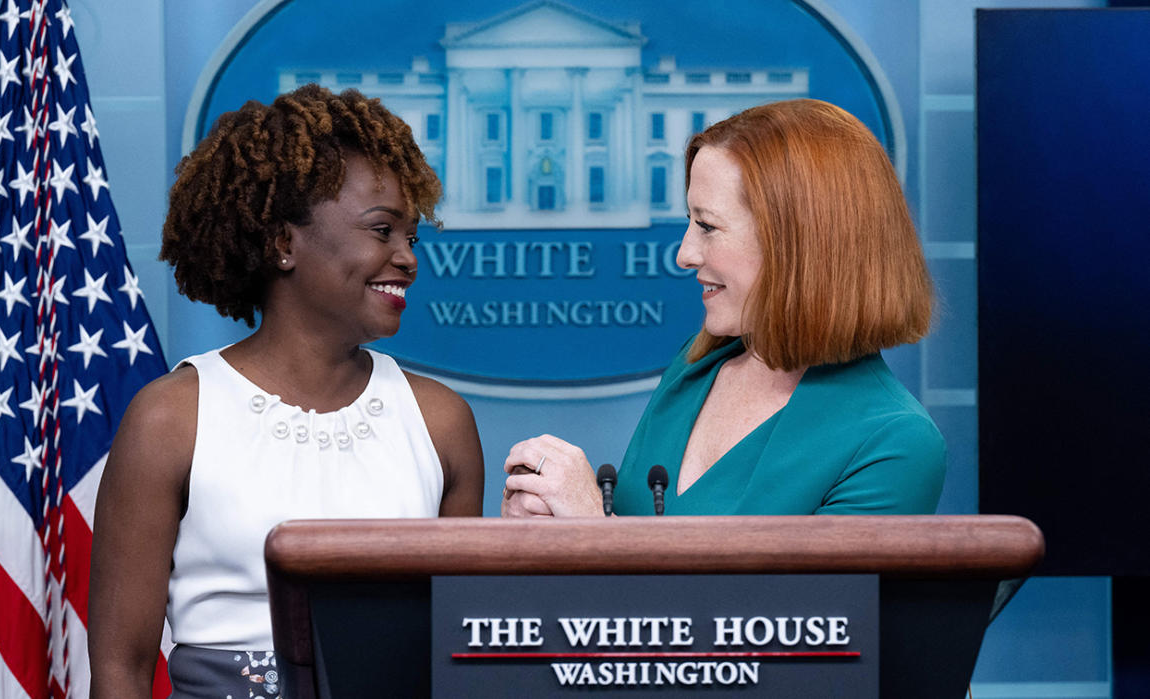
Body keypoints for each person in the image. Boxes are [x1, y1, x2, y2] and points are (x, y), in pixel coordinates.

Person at [88, 85, 483, 697]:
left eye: (412, 237)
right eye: (382, 230)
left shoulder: (441, 423)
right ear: (282, 243)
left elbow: (457, 660)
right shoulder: (171, 418)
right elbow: (121, 669)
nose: (407, 258)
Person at [502, 99, 944, 518]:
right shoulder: (694, 369)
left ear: (801, 244)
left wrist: (591, 528)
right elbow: (642, 555)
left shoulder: (896, 442)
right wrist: (555, 523)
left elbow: (800, 601)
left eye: (707, 226)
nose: (684, 254)